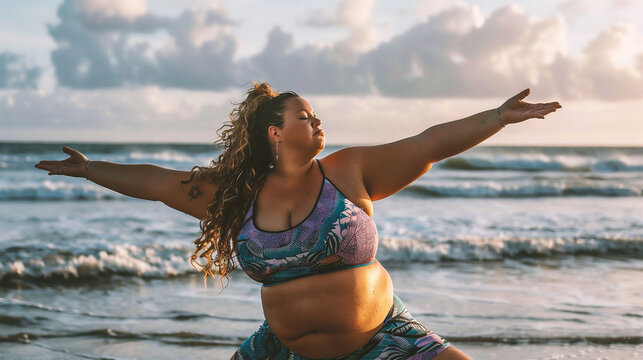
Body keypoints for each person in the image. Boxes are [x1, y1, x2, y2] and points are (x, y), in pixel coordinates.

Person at [35, 82, 561, 359]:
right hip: (281, 353)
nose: (317, 120)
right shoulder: (236, 196)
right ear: (274, 133)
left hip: (385, 342)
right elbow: (156, 183)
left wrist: (496, 118)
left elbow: (425, 145)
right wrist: (90, 169)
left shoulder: (348, 169)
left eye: (316, 114)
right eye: (304, 116)